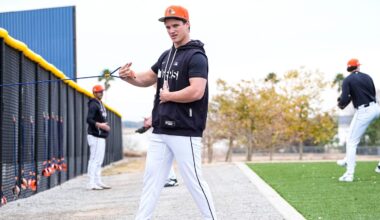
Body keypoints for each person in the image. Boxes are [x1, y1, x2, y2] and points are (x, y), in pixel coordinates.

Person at [119, 5, 217, 219]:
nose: (171, 30)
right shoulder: (166, 56)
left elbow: (197, 91)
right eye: (168, 27)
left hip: (186, 130)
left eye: (176, 25)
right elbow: (146, 79)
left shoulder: (196, 56)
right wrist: (128, 76)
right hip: (161, 131)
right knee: (151, 182)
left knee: (195, 182)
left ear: (187, 25)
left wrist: (169, 96)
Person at [337, 58, 380, 182]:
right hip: (376, 108)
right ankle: (346, 160)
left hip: (364, 111)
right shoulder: (367, 77)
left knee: (351, 142)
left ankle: (349, 174)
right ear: (358, 67)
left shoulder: (347, 80)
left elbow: (345, 98)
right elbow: (370, 92)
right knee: (352, 133)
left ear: (349, 68)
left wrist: (341, 104)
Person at [135, 116, 179, 187]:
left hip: (168, 132)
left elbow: (159, 114)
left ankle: (171, 179)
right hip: (164, 131)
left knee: (162, 157)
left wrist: (146, 126)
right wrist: (146, 126)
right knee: (162, 158)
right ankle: (170, 178)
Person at [86, 85, 112, 190]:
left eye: (102, 92)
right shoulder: (93, 104)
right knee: (94, 160)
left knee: (99, 160)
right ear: (94, 93)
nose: (101, 93)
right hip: (95, 135)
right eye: (99, 92)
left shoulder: (100, 103)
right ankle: (91, 183)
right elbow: (89, 119)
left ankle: (97, 181)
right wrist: (100, 125)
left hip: (100, 136)